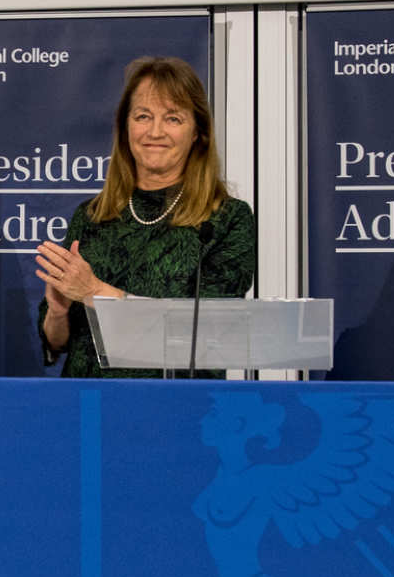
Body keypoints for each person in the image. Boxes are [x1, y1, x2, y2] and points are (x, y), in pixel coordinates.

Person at [35, 56, 256, 378]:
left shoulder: (226, 219)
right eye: (143, 116)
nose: (155, 131)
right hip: (86, 399)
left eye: (173, 118)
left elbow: (210, 334)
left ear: (198, 132)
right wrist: (58, 312)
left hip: (174, 402)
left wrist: (93, 291)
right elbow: (56, 343)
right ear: (126, 127)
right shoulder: (92, 215)